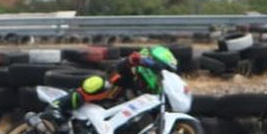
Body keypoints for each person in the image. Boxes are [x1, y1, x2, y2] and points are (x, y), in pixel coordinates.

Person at [51, 45, 179, 117]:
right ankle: (58, 105)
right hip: (103, 104)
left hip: (118, 120)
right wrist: (130, 62)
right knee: (100, 83)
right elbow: (115, 71)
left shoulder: (157, 90)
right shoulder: (131, 67)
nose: (162, 73)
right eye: (161, 68)